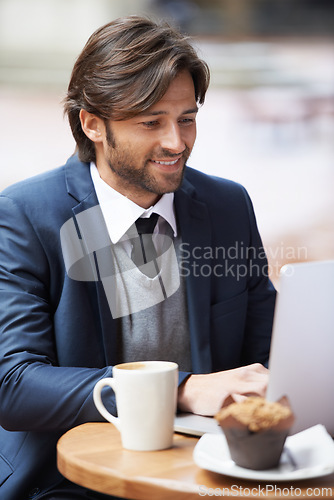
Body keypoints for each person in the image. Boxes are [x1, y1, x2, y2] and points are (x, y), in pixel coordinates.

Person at [0, 16, 276, 500]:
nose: (177, 142)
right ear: (92, 124)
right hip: (71, 478)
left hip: (211, 468)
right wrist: (180, 388)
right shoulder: (24, 216)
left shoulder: (230, 206)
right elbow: (14, 386)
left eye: (187, 118)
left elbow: (267, 355)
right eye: (151, 122)